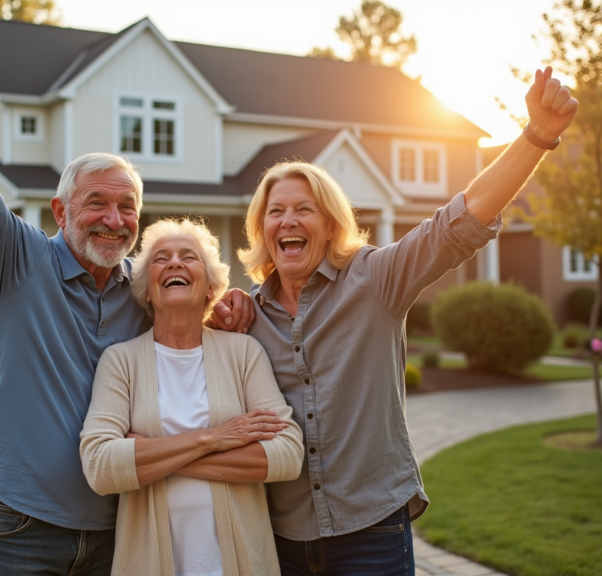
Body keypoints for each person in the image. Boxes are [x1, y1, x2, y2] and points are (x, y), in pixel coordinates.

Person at [0, 2, 254, 574]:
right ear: (60, 209)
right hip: (17, 527)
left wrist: (227, 308)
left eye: (128, 207)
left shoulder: (142, 292)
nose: (113, 218)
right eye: (96, 202)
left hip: (115, 531)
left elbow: (191, 333)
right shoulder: (19, 259)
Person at [237, 68, 578, 575]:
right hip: (282, 534)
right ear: (262, 230)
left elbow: (458, 222)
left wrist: (536, 136)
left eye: (303, 209)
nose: (288, 220)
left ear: (329, 224)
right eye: (275, 212)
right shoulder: (245, 315)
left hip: (371, 530)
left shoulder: (375, 279)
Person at [80, 219, 304, 576]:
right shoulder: (121, 361)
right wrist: (213, 438)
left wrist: (152, 458)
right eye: (161, 258)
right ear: (147, 290)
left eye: (189, 256)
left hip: (241, 563)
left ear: (211, 287)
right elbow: (100, 466)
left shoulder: (243, 353)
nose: (174, 263)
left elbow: (288, 455)